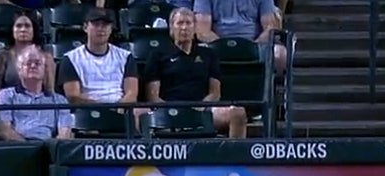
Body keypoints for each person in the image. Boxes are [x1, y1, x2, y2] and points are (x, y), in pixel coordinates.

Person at [143, 7, 247, 137]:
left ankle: (234, 156)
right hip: (169, 111)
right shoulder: (158, 54)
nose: (184, 28)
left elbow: (215, 93)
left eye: (188, 23)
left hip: (202, 109)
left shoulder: (209, 54)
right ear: (171, 28)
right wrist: (171, 111)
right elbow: (153, 96)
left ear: (195, 28)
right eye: (180, 23)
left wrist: (201, 106)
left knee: (238, 113)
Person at [60, 9, 140, 111]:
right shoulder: (70, 59)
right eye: (96, 24)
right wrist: (104, 110)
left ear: (111, 29)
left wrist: (119, 110)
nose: (101, 29)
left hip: (121, 110)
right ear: (85, 27)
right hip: (87, 112)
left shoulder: (126, 57)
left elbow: (131, 93)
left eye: (105, 25)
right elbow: (73, 97)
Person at [0, 46, 72, 141]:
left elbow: (65, 132)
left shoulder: (59, 100)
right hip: (18, 147)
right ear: (19, 70)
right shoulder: (6, 96)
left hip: (50, 148)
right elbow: (4, 130)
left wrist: (51, 149)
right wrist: (29, 148)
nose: (33, 66)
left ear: (44, 70)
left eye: (38, 63)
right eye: (28, 63)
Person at [0, 12, 55, 91]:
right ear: (12, 30)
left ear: (34, 30)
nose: (23, 30)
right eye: (18, 26)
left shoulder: (46, 57)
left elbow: (50, 90)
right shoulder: (1, 56)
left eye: (27, 26)